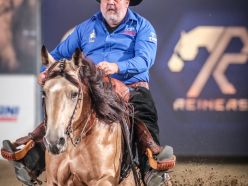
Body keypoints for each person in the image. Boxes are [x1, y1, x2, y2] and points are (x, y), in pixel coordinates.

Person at [2, 0, 175, 185]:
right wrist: (46, 72)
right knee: (64, 107)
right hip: (94, 87)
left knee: (143, 112)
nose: (111, 3)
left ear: (127, 2)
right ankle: (32, 159)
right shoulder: (86, 28)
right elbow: (58, 53)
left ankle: (151, 166)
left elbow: (144, 60)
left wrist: (117, 67)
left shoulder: (143, 27)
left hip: (130, 87)